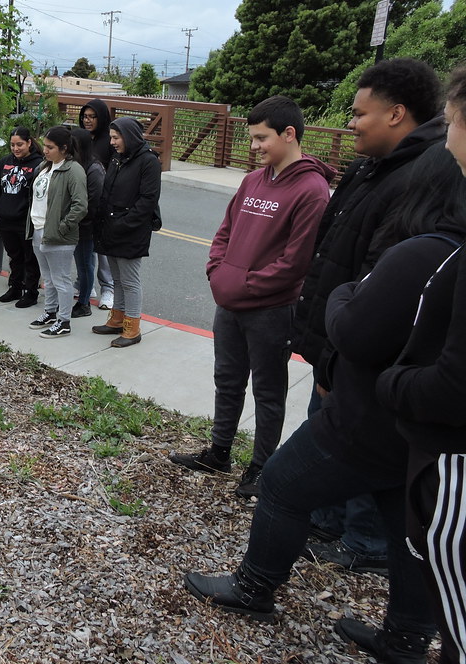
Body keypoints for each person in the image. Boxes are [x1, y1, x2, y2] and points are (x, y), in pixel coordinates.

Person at [184, 143, 466, 663]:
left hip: (368, 417)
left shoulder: (420, 254)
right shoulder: (455, 255)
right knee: (408, 530)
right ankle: (404, 637)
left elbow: (355, 328)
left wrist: (342, 294)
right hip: (417, 435)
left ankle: (253, 587)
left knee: (282, 483)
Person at [295, 58, 445, 576]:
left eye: (360, 114)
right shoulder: (370, 168)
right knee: (328, 435)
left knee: (358, 446)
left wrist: (336, 356)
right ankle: (327, 520)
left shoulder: (415, 179)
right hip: (336, 337)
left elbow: (375, 281)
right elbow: (332, 249)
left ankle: (366, 544)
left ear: (397, 113)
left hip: (359, 347)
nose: (351, 122)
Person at [170, 96, 333, 499]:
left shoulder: (312, 190)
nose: (254, 146)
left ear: (289, 134)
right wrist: (217, 270)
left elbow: (295, 263)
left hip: (271, 310)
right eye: (253, 138)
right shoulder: (252, 181)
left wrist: (241, 287)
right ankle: (219, 452)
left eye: (262, 138)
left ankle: (260, 467)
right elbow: (224, 232)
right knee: (227, 380)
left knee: (268, 390)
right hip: (230, 306)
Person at [378, 65, 466, 664]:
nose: (446, 135)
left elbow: (453, 384)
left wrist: (395, 381)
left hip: (454, 458)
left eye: (452, 121)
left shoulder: (435, 249)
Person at [90, 117, 162, 348]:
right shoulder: (118, 158)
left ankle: (133, 327)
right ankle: (118, 319)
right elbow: (107, 191)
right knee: (117, 279)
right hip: (111, 225)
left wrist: (124, 223)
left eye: (116, 137)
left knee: (130, 281)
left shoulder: (149, 161)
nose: (112, 142)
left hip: (131, 230)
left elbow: (148, 200)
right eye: (111, 137)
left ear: (129, 136)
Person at [27, 126, 88, 338]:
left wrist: (63, 226)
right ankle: (50, 312)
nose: (44, 150)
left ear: (64, 148)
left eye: (50, 147)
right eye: (44, 146)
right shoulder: (45, 166)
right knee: (48, 278)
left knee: (61, 279)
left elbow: (80, 205)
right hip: (39, 228)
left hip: (58, 234)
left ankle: (64, 321)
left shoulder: (73, 170)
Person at [0, 126, 44, 308]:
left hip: (26, 221)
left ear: (29, 142)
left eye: (19, 144)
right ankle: (15, 287)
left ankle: (31, 292)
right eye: (12, 145)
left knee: (30, 258)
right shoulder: (4, 162)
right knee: (14, 256)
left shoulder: (39, 164)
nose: (15, 149)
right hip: (5, 219)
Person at [79, 99, 115, 309]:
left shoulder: (109, 141)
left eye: (93, 117)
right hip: (82, 200)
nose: (88, 120)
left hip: (104, 202)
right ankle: (86, 285)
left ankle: (108, 289)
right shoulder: (80, 139)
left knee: (102, 250)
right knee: (85, 247)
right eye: (85, 116)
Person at [70, 126, 104, 318]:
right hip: (74, 224)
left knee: (85, 264)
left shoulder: (93, 169)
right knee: (81, 264)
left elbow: (93, 203)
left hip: (86, 226)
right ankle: (82, 297)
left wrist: (74, 218)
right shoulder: (76, 164)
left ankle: (84, 303)